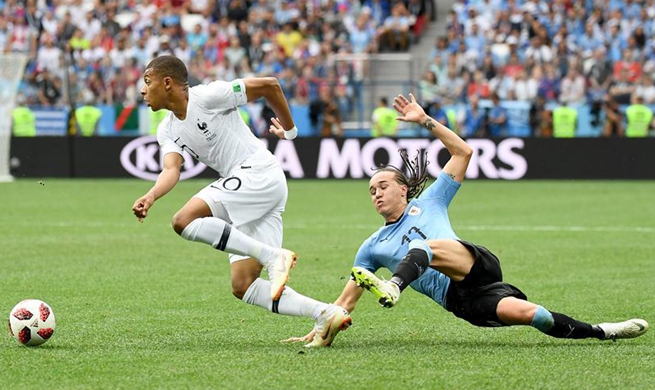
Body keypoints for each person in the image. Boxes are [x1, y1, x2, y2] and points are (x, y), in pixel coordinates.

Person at [285, 93, 648, 345]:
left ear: (403, 190)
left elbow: (464, 150)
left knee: (422, 245)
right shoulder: (372, 247)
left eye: (382, 185)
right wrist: (323, 327)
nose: (376, 193)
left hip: (475, 265)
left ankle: (395, 285)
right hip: (463, 301)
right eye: (370, 190)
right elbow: (345, 303)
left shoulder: (431, 200)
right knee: (533, 315)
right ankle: (603, 331)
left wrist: (424, 120)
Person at [132, 55, 350, 347]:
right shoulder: (168, 129)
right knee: (243, 285)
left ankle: (275, 257)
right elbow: (172, 169)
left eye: (147, 82)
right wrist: (151, 195)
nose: (142, 90)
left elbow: (270, 86)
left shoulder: (208, 96)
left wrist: (290, 130)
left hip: (257, 172)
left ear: (167, 82)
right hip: (253, 192)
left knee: (183, 220)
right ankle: (325, 314)